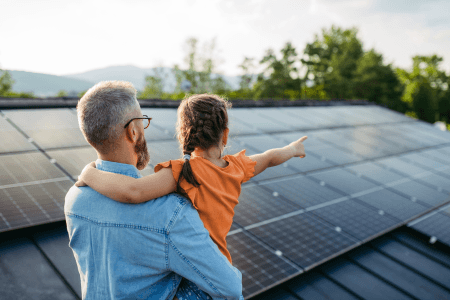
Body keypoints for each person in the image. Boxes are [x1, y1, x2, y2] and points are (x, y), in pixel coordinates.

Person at [76, 93, 308, 298]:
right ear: (224, 136)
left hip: (195, 282)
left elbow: (133, 192)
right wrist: (292, 149)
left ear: (183, 135)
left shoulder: (182, 172)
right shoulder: (237, 167)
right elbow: (268, 157)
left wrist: (89, 173)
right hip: (217, 269)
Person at [65, 81, 243, 300]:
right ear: (133, 132)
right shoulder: (171, 213)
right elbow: (231, 288)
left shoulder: (74, 199)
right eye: (143, 122)